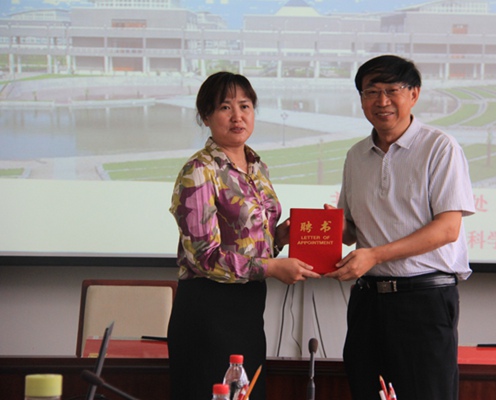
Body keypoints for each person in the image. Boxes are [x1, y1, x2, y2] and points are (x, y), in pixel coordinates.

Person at [325, 55, 476, 400]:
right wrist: (323, 228)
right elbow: (351, 230)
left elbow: (447, 229)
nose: (382, 101)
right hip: (367, 302)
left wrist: (375, 255)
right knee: (366, 391)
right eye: (371, 91)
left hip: (423, 300)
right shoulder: (356, 155)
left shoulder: (440, 147)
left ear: (414, 94)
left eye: (392, 90)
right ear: (361, 98)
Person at [168, 71, 320, 400]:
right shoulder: (199, 170)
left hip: (249, 308)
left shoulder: (258, 167)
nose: (237, 116)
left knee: (247, 394)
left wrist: (281, 237)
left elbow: (251, 241)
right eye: (225, 107)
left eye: (245, 106)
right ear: (205, 116)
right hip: (208, 310)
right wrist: (271, 267)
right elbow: (204, 257)